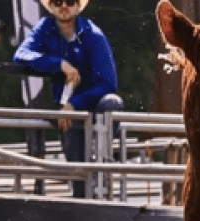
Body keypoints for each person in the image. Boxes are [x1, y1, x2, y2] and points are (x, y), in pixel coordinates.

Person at [12, 0, 122, 199]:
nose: (64, 6)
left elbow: (107, 84)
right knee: (77, 173)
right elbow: (21, 55)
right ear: (50, 6)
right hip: (67, 110)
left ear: (79, 6)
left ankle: (104, 164)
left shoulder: (93, 35)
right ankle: (83, 198)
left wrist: (74, 104)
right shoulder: (44, 27)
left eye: (70, 1)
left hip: (89, 106)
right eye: (57, 1)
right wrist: (60, 64)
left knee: (112, 103)